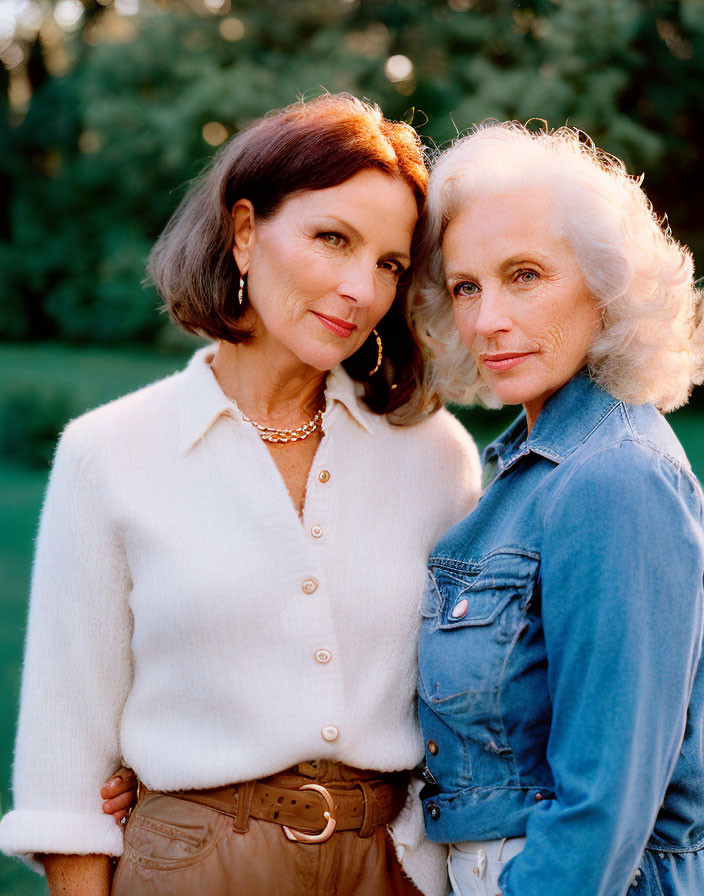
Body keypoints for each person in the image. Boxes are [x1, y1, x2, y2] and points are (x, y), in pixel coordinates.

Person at [0, 94, 482, 896]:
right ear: (246, 231)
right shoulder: (107, 454)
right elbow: (65, 773)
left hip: (391, 867)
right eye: (334, 239)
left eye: (390, 264)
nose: (361, 289)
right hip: (193, 866)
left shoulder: (436, 458)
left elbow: (479, 695)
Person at [410, 122, 704, 895]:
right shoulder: (528, 466)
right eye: (467, 286)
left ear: (607, 285)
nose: (487, 320)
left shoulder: (612, 477)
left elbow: (604, 812)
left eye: (526, 275)